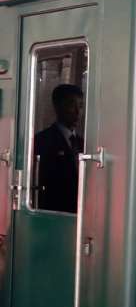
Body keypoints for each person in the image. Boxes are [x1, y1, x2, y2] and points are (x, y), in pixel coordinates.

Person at [33, 84, 84, 213]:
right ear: (58, 107)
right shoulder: (42, 141)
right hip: (52, 213)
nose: (78, 112)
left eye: (80, 106)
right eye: (71, 105)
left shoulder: (83, 143)